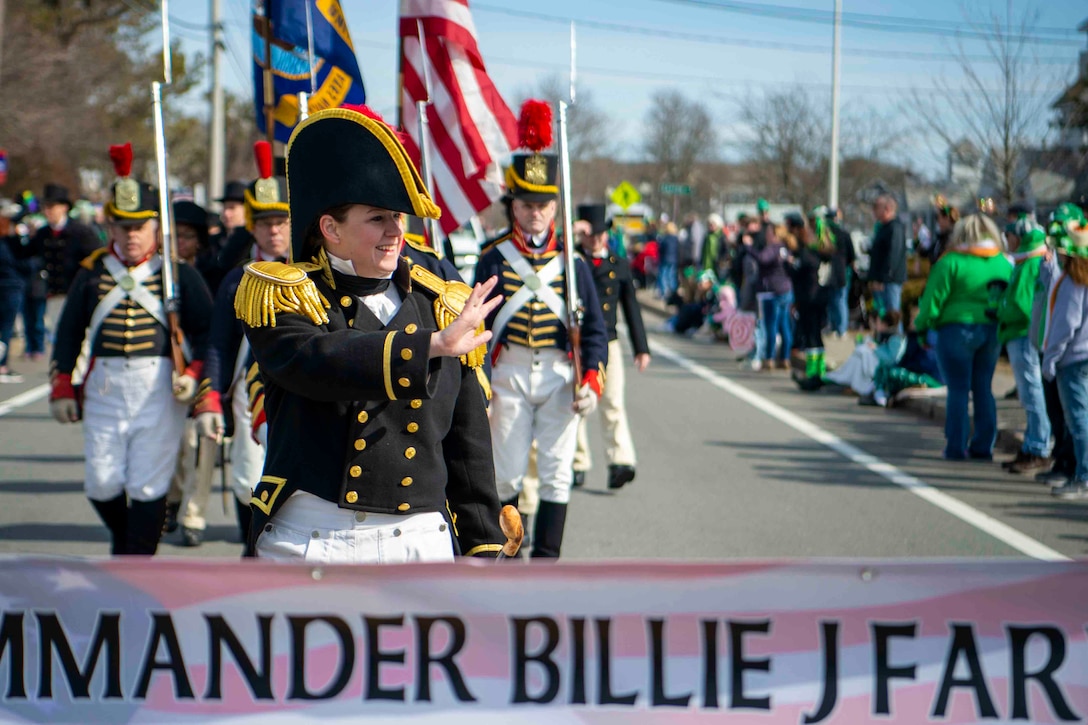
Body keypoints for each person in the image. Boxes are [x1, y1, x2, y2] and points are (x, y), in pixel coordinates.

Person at [236, 104, 504, 562]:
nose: (395, 232)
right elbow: (318, 360)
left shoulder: (439, 302)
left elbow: (467, 441)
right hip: (314, 537)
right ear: (330, 229)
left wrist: (483, 541)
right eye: (377, 217)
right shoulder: (285, 296)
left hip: (418, 539)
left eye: (398, 218)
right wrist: (432, 346)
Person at [48, 143, 213, 555]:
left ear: (155, 226)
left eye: (140, 225)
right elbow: (69, 333)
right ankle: (129, 545)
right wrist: (62, 384)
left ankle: (134, 562)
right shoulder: (92, 274)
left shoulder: (178, 275)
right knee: (101, 483)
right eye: (123, 226)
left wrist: (195, 375)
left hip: (158, 387)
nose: (132, 234)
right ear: (111, 227)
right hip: (105, 385)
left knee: (148, 485)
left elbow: (208, 334)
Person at [473, 99, 608, 559]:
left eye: (543, 205)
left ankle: (548, 561)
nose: (535, 214)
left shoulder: (573, 263)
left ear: (555, 207)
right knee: (507, 474)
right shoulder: (493, 258)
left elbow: (595, 332)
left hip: (557, 375)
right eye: (526, 204)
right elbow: (478, 326)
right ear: (514, 204)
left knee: (556, 472)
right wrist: (480, 384)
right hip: (508, 375)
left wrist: (591, 380)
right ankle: (511, 556)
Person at [191, 143, 291, 547]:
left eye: (282, 221)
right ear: (252, 225)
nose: (274, 230)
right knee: (250, 484)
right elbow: (219, 344)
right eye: (265, 222)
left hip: (304, 392)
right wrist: (211, 396)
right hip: (251, 397)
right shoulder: (236, 279)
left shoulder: (316, 275)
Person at [914, 213, 1012, 461]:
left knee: (957, 390)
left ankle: (956, 446)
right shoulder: (1003, 262)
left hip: (955, 329)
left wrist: (923, 328)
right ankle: (983, 446)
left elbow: (931, 302)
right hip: (991, 330)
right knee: (983, 388)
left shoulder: (950, 262)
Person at [572, 203, 650, 490]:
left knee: (613, 402)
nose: (596, 239)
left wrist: (642, 347)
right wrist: (569, 232)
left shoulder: (618, 264)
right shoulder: (571, 261)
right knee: (579, 403)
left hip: (609, 342)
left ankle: (620, 461)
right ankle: (577, 463)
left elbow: (631, 306)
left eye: (600, 234)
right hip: (578, 342)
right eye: (589, 234)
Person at [997, 218, 1052, 474]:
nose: (1007, 241)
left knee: (1031, 392)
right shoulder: (1028, 260)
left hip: (1022, 334)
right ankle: (1033, 445)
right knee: (1030, 392)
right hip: (1023, 333)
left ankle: (1038, 447)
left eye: (1009, 236)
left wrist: (1001, 310)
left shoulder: (1030, 262)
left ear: (1019, 238)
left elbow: (1021, 303)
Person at [26, 183, 102, 354]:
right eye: (46, 207)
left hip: (77, 293)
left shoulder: (80, 231)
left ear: (64, 208)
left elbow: (96, 257)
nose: (48, 211)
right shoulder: (43, 233)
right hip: (55, 294)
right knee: (59, 339)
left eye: (52, 207)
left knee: (80, 342)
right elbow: (26, 252)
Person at [1041, 220, 1088, 499]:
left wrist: (1050, 358)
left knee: (1078, 418)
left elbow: (1065, 325)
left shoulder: (1073, 282)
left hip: (1073, 359)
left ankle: (1083, 476)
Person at [868, 194, 907, 319]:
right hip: (881, 279)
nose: (874, 212)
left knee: (892, 314)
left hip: (890, 281)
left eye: (877, 208)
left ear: (887, 208)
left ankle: (895, 338)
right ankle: (884, 337)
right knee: (882, 315)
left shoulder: (895, 227)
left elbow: (893, 255)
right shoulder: (882, 227)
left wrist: (884, 278)